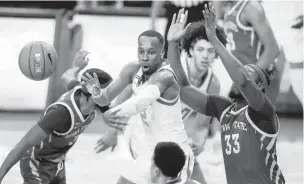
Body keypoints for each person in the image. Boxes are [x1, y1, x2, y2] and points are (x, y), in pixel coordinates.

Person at [167, 3, 285, 183]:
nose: (242, 72)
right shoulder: (225, 110)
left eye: (249, 71)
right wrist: (173, 45)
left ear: (259, 88)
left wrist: (214, 39)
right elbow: (183, 87)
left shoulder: (264, 113)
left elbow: (243, 81)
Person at [79, 23, 194, 183]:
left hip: (175, 152)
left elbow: (140, 102)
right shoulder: (132, 70)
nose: (145, 57)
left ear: (162, 54)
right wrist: (96, 93)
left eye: (151, 52)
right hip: (152, 151)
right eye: (141, 51)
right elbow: (105, 98)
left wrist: (112, 113)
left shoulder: (165, 76)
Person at [0, 51, 113, 184]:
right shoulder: (61, 113)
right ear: (91, 91)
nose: (108, 95)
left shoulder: (84, 93)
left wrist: (76, 67)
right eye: (104, 90)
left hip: (58, 164)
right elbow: (23, 144)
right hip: (36, 164)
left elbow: (66, 76)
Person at [179, 21, 226, 184]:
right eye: (200, 49)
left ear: (216, 54)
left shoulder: (213, 83)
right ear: (190, 50)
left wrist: (198, 143)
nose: (205, 56)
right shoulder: (176, 70)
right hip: (144, 130)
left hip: (168, 134)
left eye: (211, 51)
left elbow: (201, 125)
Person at [215, 0, 284, 103]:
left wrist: (248, 79)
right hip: (245, 78)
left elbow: (273, 49)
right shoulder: (230, 7)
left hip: (261, 78)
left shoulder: (250, 8)